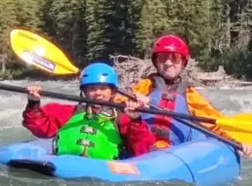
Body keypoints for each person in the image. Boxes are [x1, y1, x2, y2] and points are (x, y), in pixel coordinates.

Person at [129, 34, 252, 157]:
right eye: (163, 58)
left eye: (174, 58)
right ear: (156, 62)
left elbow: (214, 121)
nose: (168, 63)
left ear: (183, 63)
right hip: (142, 149)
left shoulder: (189, 94)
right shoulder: (144, 86)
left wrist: (239, 142)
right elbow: (120, 103)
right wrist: (132, 104)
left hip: (173, 155)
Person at [23, 63, 156, 159]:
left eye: (103, 88)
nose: (97, 93)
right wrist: (33, 103)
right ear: (84, 92)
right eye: (92, 88)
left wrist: (135, 120)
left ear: (113, 92)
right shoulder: (68, 112)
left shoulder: (122, 117)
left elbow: (141, 150)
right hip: (65, 167)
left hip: (103, 172)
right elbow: (40, 128)